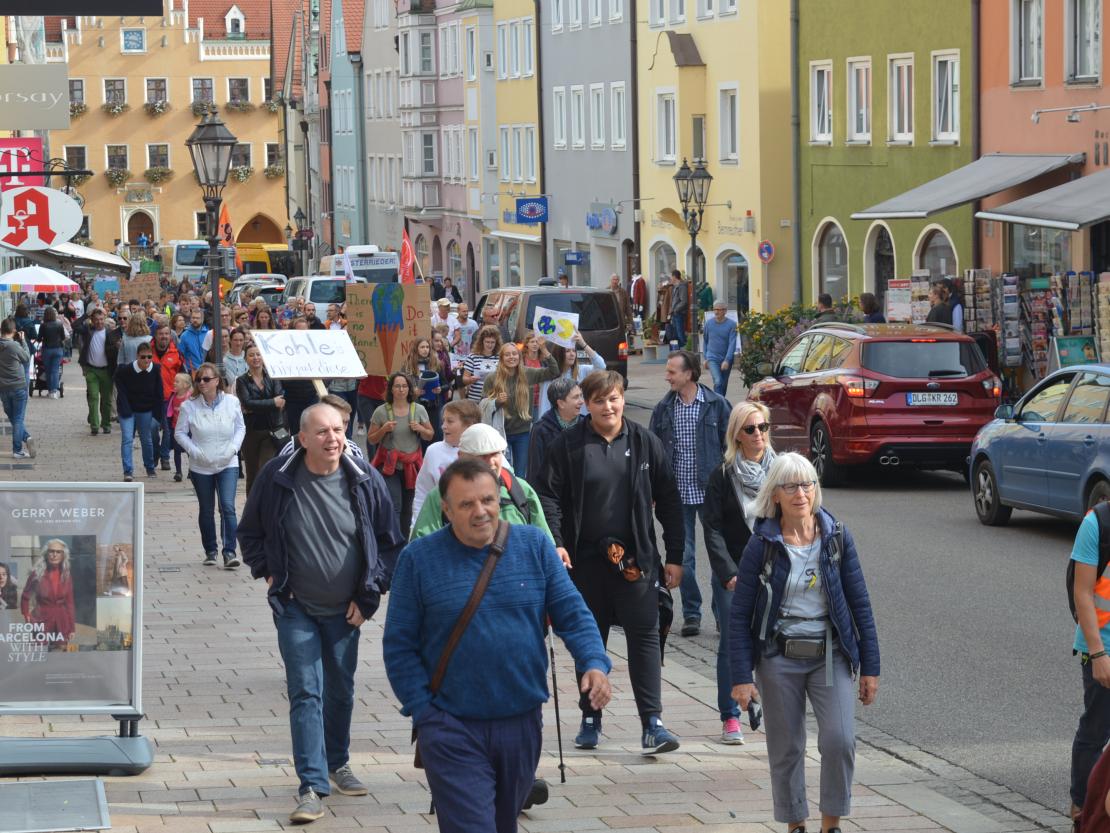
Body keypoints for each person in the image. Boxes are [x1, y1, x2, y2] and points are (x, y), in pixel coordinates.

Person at [383, 458, 612, 833]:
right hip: (451, 725)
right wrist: (425, 713)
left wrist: (594, 662)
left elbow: (572, 612)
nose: (480, 512)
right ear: (445, 508)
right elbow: (399, 646)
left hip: (521, 722)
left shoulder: (534, 546)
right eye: (466, 504)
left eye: (488, 500)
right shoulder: (418, 560)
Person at [238, 401, 404, 825]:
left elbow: (389, 543)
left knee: (341, 690)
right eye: (324, 432)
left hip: (346, 610)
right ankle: (311, 785)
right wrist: (267, 572)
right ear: (303, 438)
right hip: (295, 607)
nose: (334, 439)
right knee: (306, 691)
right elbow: (250, 531)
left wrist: (369, 597)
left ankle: (338, 760)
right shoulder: (278, 479)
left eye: (339, 430)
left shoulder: (364, 481)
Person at [729, 452, 880, 833]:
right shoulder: (761, 544)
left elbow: (860, 603)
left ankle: (831, 826)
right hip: (778, 657)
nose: (802, 493)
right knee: (787, 748)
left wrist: (871, 668)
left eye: (808, 483)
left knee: (839, 740)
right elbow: (739, 614)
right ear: (775, 495)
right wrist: (740, 676)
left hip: (830, 655)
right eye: (792, 486)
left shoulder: (836, 537)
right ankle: (796, 824)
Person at [537, 370, 685, 755]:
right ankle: (590, 717)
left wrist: (676, 556)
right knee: (590, 637)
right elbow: (547, 497)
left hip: (634, 561)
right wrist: (557, 543)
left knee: (645, 637)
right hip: (585, 560)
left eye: (614, 398)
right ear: (586, 404)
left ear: (623, 399)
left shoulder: (644, 442)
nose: (608, 406)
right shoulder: (567, 446)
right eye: (599, 400)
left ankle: (652, 723)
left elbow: (670, 499)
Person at [701, 401, 777, 745]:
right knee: (733, 644)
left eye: (763, 427)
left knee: (773, 642)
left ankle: (769, 707)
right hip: (734, 570)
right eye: (750, 429)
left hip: (775, 571)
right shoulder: (722, 475)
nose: (758, 434)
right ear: (737, 435)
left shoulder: (784, 471)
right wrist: (727, 572)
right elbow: (712, 528)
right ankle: (730, 716)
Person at [649, 350, 731, 637]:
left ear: (689, 374)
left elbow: (730, 448)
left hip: (712, 493)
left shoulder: (717, 405)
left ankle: (722, 616)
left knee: (720, 555)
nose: (667, 376)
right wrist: (652, 490)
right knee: (683, 557)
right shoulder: (663, 409)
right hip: (677, 494)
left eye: (672, 371)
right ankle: (692, 613)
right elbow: (654, 454)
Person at [410, 423, 558, 547]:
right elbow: (421, 549)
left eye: (495, 454)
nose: (490, 462)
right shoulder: (441, 495)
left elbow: (545, 546)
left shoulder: (520, 489)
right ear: (461, 457)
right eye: (481, 456)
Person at [175, 362, 246, 568]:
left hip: (228, 462)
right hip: (201, 466)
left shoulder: (231, 402)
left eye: (207, 379)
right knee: (206, 509)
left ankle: (230, 551)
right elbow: (179, 433)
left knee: (227, 506)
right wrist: (195, 451)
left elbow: (240, 428)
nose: (202, 383)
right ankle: (210, 550)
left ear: (217, 381)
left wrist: (233, 448)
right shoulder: (190, 405)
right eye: (199, 379)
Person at [1069, 500, 1110, 828]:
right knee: (1097, 730)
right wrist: (1097, 655)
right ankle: (1083, 810)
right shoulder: (1097, 523)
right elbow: (1082, 592)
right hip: (1103, 647)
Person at [369, 372, 434, 534]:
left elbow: (430, 434)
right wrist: (383, 429)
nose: (401, 389)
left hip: (411, 466)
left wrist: (420, 428)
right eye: (397, 386)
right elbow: (371, 440)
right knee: (395, 505)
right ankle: (392, 539)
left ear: (409, 389)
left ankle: (403, 541)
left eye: (404, 386)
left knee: (407, 507)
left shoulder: (418, 409)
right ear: (391, 389)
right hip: (389, 466)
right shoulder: (381, 411)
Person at [481, 340, 559, 475]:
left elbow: (554, 372)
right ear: (501, 358)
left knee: (521, 474)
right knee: (502, 473)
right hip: (500, 432)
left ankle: (519, 496)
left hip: (522, 432)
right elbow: (482, 404)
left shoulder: (528, 373)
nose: (511, 357)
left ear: (519, 356)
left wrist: (544, 349)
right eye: (507, 355)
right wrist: (497, 402)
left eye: (514, 354)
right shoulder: (492, 378)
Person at [411, 399, 481, 527]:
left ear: (469, 425)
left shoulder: (486, 451)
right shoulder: (433, 451)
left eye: (450, 421)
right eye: (443, 421)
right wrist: (415, 524)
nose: (443, 426)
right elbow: (423, 491)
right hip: (440, 526)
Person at [237, 344, 286, 495]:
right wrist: (271, 402)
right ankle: (251, 510)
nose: (256, 358)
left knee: (265, 468)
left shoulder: (273, 377)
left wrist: (256, 406)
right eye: (251, 355)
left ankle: (265, 504)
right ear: (246, 359)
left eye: (258, 354)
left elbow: (281, 401)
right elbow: (247, 403)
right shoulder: (242, 380)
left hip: (273, 430)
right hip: (252, 431)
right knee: (252, 473)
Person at [115, 343, 165, 481]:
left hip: (146, 409)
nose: (147, 360)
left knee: (146, 439)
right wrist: (124, 405)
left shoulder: (155, 369)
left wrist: (157, 415)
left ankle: (150, 467)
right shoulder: (127, 369)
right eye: (143, 357)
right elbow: (118, 380)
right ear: (137, 356)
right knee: (127, 439)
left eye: (149, 357)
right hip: (128, 409)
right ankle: (128, 471)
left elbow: (159, 393)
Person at [535, 333, 606, 421]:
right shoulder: (550, 374)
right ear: (559, 354)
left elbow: (601, 366)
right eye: (567, 351)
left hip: (580, 423)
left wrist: (583, 343)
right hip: (559, 426)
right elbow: (544, 405)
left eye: (573, 351)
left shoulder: (582, 370)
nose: (572, 354)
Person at [20, 539, 76, 651]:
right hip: (41, 619)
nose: (54, 555)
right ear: (46, 553)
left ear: (63, 555)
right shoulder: (36, 573)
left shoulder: (66, 575)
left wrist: (72, 628)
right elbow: (25, 596)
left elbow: (69, 603)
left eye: (58, 552)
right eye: (51, 551)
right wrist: (26, 615)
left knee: (60, 654)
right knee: (38, 653)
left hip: (61, 621)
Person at [527, 376, 583, 484]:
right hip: (552, 495)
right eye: (576, 397)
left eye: (581, 396)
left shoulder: (586, 425)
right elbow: (534, 469)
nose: (582, 401)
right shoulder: (541, 429)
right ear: (561, 403)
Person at [74, 307, 115, 436]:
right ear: (92, 320)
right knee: (93, 397)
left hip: (106, 371)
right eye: (96, 320)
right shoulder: (88, 330)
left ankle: (106, 424)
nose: (99, 322)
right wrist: (86, 315)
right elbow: (75, 325)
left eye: (101, 319)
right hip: (91, 370)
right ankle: (94, 425)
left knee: (106, 400)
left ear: (105, 319)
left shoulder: (110, 332)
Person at [0, 318, 34, 459]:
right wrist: (24, 341)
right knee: (18, 418)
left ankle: (26, 437)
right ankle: (18, 449)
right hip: (18, 386)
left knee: (13, 417)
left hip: (3, 388)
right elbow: (26, 358)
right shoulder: (14, 345)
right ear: (14, 331)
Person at [150, 325, 183, 471]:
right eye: (161, 334)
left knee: (168, 430)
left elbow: (183, 374)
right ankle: (156, 452)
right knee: (152, 429)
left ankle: (164, 457)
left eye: (166, 333)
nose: (164, 336)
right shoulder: (147, 352)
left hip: (169, 398)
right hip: (151, 397)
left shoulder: (176, 353)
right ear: (155, 335)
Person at [402, 337, 446, 445]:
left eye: (427, 347)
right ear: (416, 349)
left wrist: (440, 389)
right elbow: (401, 386)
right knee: (418, 435)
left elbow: (446, 384)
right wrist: (413, 391)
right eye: (422, 347)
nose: (425, 350)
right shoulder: (408, 365)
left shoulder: (437, 363)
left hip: (434, 404)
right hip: (416, 404)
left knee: (436, 434)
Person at [702, 299, 737, 397]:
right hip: (712, 358)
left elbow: (732, 344)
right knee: (717, 381)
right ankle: (718, 405)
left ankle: (721, 403)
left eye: (719, 309)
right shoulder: (708, 324)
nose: (716, 312)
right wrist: (705, 358)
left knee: (723, 384)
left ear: (725, 311)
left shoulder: (732, 325)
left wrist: (727, 360)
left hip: (726, 359)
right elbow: (705, 341)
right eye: (715, 309)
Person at [461, 325, 502, 402]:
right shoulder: (473, 356)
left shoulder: (500, 357)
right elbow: (464, 379)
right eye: (487, 342)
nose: (490, 345)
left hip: (493, 400)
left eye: (492, 342)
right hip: (475, 398)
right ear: (482, 341)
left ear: (496, 343)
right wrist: (470, 380)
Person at [166, 373, 191, 482]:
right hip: (176, 428)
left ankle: (192, 470)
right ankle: (178, 472)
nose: (174, 383)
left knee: (190, 450)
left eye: (177, 381)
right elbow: (169, 412)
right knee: (176, 450)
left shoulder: (189, 397)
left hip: (189, 429)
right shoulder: (173, 396)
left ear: (185, 385)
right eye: (174, 381)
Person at [38, 307, 66, 399]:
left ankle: (51, 390)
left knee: (48, 370)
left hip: (47, 350)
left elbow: (39, 338)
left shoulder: (43, 325)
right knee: (55, 370)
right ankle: (53, 391)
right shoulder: (59, 324)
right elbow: (63, 337)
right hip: (58, 349)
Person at [178, 308, 209, 373]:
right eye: (193, 318)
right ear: (190, 319)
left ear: (202, 320)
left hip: (206, 370)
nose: (195, 320)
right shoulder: (184, 336)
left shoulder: (208, 334)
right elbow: (180, 355)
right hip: (191, 371)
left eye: (197, 318)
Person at [668, 270, 688, 346]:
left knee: (680, 334)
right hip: (675, 314)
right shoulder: (675, 287)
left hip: (679, 313)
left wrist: (675, 309)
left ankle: (684, 352)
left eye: (671, 277)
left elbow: (684, 301)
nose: (670, 279)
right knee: (676, 334)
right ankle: (678, 351)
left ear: (674, 277)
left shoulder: (682, 287)